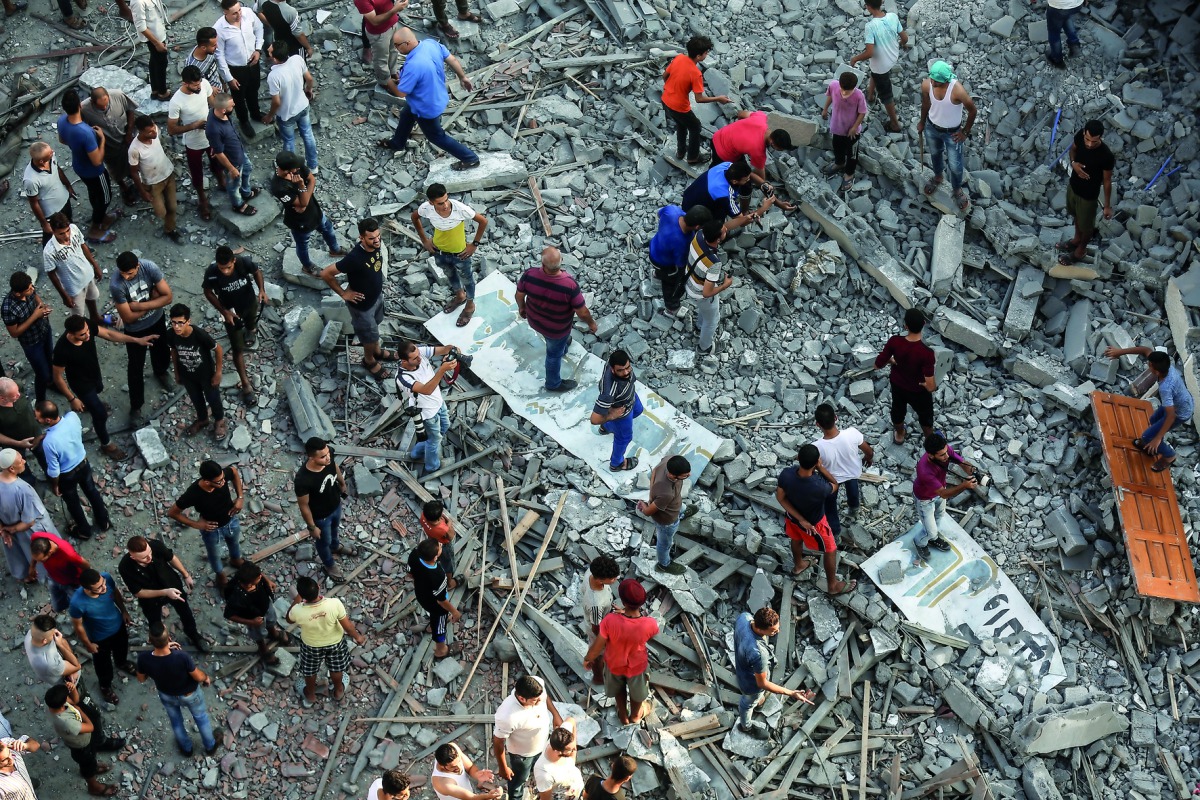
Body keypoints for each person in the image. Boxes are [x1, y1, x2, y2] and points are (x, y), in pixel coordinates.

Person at [377, 28, 479, 170]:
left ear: (407, 43)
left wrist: (387, 80)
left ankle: (470, 159)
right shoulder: (430, 44)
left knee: (436, 137)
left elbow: (401, 93)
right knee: (406, 114)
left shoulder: (414, 65)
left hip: (426, 107)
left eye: (397, 45)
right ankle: (397, 143)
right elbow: (452, 59)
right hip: (436, 96)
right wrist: (463, 77)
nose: (395, 48)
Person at [51, 316, 149, 458]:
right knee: (100, 415)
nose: (88, 335)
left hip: (94, 374)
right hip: (81, 385)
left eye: (87, 331)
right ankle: (106, 444)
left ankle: (89, 405)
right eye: (82, 334)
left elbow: (108, 334)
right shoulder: (62, 350)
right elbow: (57, 377)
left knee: (98, 390)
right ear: (71, 334)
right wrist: (72, 399)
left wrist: (136, 340)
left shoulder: (86, 325)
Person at [320, 218, 395, 381]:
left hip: (376, 298)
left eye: (378, 236)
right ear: (361, 237)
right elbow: (325, 274)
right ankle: (369, 360)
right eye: (371, 238)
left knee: (374, 330)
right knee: (368, 337)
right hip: (362, 307)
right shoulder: (354, 258)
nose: (377, 241)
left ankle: (377, 351)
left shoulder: (375, 245)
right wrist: (343, 293)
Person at [775, 444, 856, 595]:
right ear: (816, 462)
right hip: (815, 524)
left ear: (798, 458)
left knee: (796, 538)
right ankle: (832, 586)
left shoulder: (786, 474)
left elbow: (780, 498)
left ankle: (799, 565)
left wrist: (800, 519)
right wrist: (821, 468)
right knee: (830, 549)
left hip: (793, 518)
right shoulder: (819, 487)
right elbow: (835, 485)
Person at [515, 247, 598, 392]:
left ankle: (562, 346)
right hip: (557, 330)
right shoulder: (569, 285)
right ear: (562, 261)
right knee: (553, 356)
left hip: (535, 321)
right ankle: (553, 383)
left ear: (542, 264)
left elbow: (519, 295)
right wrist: (591, 323)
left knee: (554, 342)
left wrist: (522, 308)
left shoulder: (530, 275)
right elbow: (582, 312)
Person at [36, 400, 120, 537]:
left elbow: (54, 470)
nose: (36, 419)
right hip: (83, 464)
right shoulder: (72, 417)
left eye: (38, 417)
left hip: (67, 475)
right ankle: (103, 521)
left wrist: (55, 485)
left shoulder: (48, 442)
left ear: (47, 420)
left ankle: (84, 531)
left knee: (73, 503)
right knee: (92, 492)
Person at [1103, 346, 1193, 471]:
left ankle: (1169, 456)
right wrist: (1119, 352)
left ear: (1156, 372)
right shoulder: (1165, 366)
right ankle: (1153, 446)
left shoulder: (1166, 388)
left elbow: (1171, 416)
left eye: (1149, 365)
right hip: (1179, 402)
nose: (1147, 364)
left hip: (1180, 413)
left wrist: (1157, 439)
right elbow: (1145, 350)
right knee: (1153, 420)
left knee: (1147, 437)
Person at [110, 251, 174, 425]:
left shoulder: (149, 267)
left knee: (161, 349)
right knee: (135, 367)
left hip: (157, 320)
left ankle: (161, 372)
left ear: (138, 266)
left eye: (130, 273)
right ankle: (136, 406)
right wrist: (152, 302)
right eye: (123, 273)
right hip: (136, 331)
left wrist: (139, 306)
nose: (126, 277)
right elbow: (128, 318)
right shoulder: (116, 285)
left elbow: (168, 296)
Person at [583, 579, 659, 725]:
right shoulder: (649, 624)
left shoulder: (610, 621)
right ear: (642, 603)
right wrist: (627, 616)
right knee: (637, 694)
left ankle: (623, 716)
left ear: (623, 602)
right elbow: (648, 631)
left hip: (614, 664)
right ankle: (635, 716)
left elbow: (598, 645)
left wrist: (588, 658)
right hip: (637, 667)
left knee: (618, 690)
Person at [412, 183, 489, 327]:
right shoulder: (426, 208)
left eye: (446, 199)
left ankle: (470, 305)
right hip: (439, 251)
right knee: (450, 274)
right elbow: (414, 217)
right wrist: (424, 240)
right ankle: (460, 295)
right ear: (431, 203)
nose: (446, 205)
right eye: (440, 203)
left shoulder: (460, 209)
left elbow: (483, 221)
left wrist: (474, 245)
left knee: (467, 280)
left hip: (460, 253)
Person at [732, 607, 815, 739]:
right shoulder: (758, 653)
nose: (778, 632)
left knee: (757, 698)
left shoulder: (744, 617)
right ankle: (745, 726)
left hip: (742, 665)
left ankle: (758, 701)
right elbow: (762, 683)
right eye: (774, 631)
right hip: (750, 684)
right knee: (748, 704)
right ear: (760, 629)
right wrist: (791, 693)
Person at [136, 626, 218, 757]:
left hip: (167, 695)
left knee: (176, 722)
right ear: (169, 638)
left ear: (149, 640)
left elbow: (141, 679)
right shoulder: (181, 657)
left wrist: (152, 666)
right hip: (190, 694)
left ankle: (187, 749)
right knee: (201, 718)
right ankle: (210, 747)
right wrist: (206, 678)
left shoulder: (143, 658)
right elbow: (198, 676)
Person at [118, 536, 208, 651]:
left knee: (185, 611)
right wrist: (165, 592)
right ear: (133, 557)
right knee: (154, 622)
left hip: (172, 585)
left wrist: (186, 575)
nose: (149, 557)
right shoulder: (125, 567)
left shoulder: (156, 545)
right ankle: (163, 645)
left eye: (150, 553)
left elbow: (172, 558)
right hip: (150, 598)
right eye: (144, 557)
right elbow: (138, 592)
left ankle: (193, 634)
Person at [287, 575, 367, 704]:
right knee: (336, 668)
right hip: (335, 643)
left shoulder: (297, 610)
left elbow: (289, 619)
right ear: (318, 587)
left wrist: (297, 600)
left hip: (311, 645)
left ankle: (311, 694)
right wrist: (357, 637)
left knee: (310, 670)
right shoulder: (334, 603)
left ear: (302, 596)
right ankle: (338, 691)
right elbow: (347, 626)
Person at [203, 246, 267, 403]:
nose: (225, 271)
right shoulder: (212, 273)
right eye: (222, 268)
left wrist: (262, 290)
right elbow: (208, 292)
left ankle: (251, 330)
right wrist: (224, 311)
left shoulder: (243, 263)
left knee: (251, 322)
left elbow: (257, 271)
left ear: (234, 261)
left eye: (228, 267)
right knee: (237, 348)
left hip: (250, 303)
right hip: (231, 314)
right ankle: (246, 384)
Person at [167, 460, 245, 587]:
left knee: (234, 542)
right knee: (214, 554)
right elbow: (172, 512)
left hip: (231, 520)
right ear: (207, 482)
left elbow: (234, 472)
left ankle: (235, 560)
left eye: (223, 478)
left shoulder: (221, 476)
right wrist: (196, 525)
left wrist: (240, 497)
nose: (223, 482)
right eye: (219, 482)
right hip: (212, 530)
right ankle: (220, 575)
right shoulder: (193, 493)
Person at [57, 91, 118, 244]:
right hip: (95, 172)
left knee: (94, 192)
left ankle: (101, 217)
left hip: (79, 167)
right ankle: (95, 229)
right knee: (105, 198)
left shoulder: (62, 121)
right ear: (80, 105)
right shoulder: (86, 132)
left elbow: (62, 140)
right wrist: (102, 140)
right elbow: (97, 161)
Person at [271, 150, 345, 273]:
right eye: (295, 168)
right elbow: (303, 201)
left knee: (328, 229)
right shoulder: (279, 187)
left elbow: (312, 180)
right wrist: (301, 186)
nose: (298, 168)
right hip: (299, 221)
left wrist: (304, 199)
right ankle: (307, 266)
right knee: (303, 245)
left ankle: (335, 250)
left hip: (314, 210)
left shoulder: (297, 166)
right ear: (288, 170)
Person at [69, 569, 136, 706]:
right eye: (99, 588)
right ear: (87, 589)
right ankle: (105, 686)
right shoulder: (77, 603)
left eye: (103, 583)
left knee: (122, 648)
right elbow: (78, 626)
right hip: (99, 638)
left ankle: (122, 663)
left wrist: (124, 611)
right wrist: (88, 644)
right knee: (103, 665)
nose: (104, 587)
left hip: (118, 626)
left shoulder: (106, 578)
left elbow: (115, 593)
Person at [660, 36, 730, 164]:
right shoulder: (695, 73)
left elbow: (665, 76)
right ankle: (693, 157)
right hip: (680, 106)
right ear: (698, 56)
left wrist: (673, 89)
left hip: (666, 99)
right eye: (705, 53)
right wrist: (719, 98)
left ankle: (680, 152)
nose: (707, 55)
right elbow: (699, 99)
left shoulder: (679, 58)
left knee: (681, 125)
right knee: (695, 127)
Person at [918, 61, 976, 212]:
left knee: (955, 165)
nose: (932, 83)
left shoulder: (957, 90)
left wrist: (965, 132)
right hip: (932, 127)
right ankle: (938, 176)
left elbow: (973, 110)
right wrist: (922, 122)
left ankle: (956, 189)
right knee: (935, 154)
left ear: (946, 80)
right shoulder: (927, 84)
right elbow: (926, 104)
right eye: (931, 79)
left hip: (952, 133)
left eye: (936, 81)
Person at [294, 436, 355, 580]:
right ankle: (329, 564)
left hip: (335, 505)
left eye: (328, 453)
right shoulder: (303, 480)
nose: (327, 458)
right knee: (323, 542)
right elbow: (303, 506)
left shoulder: (328, 456)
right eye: (322, 457)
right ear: (311, 457)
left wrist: (342, 483)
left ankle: (335, 546)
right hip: (321, 517)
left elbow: (334, 466)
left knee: (335, 529)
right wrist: (312, 527)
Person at [492, 675, 562, 800]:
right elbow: (498, 742)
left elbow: (545, 697)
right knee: (519, 780)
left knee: (540, 765)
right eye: (535, 700)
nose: (540, 701)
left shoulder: (537, 683)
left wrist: (555, 714)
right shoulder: (508, 716)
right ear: (521, 698)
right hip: (523, 756)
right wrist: (503, 768)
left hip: (542, 745)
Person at [873, 307, 936, 445]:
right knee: (925, 415)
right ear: (924, 324)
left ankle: (900, 434)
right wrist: (925, 385)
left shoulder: (895, 341)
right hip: (918, 390)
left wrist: (891, 361)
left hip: (898, 385)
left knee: (898, 410)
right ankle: (930, 440)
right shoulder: (927, 353)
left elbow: (877, 365)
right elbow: (931, 387)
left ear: (905, 326)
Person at [44, 682, 119, 795]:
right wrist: (80, 711)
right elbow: (90, 727)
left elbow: (74, 700)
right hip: (81, 746)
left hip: (81, 742)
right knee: (87, 765)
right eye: (67, 697)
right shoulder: (67, 722)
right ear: (62, 704)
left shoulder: (53, 706)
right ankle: (94, 786)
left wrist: (73, 689)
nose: (68, 698)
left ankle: (93, 767)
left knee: (89, 760)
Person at [164, 304, 227, 438]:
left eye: (180, 323)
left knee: (213, 398)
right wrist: (177, 373)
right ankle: (202, 419)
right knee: (196, 399)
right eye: (173, 323)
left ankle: (219, 420)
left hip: (206, 375)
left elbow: (218, 349)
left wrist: (218, 372)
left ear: (188, 321)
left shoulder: (199, 334)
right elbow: (174, 351)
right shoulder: (171, 335)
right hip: (187, 375)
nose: (177, 327)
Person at [912, 433, 978, 561]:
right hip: (925, 499)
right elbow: (943, 493)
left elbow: (961, 462)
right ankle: (920, 542)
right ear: (931, 455)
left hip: (938, 493)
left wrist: (974, 471)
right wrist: (965, 485)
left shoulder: (944, 450)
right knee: (930, 530)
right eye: (942, 455)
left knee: (939, 515)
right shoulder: (924, 470)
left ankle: (933, 538)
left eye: (946, 452)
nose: (947, 456)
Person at [1059, 120, 1115, 267]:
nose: (1089, 144)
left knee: (1087, 226)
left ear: (1100, 137)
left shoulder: (1106, 156)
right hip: (1073, 187)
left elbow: (1107, 181)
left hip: (1088, 196)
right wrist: (1073, 163)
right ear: (1084, 133)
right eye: (1087, 139)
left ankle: (1081, 250)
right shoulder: (1079, 136)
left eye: (1094, 141)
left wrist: (1107, 206)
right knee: (1076, 215)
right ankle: (1076, 240)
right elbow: (1073, 150)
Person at [812, 404, 873, 538]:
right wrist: (868, 458)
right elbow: (868, 451)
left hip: (831, 479)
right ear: (836, 418)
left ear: (817, 424)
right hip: (852, 473)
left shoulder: (816, 447)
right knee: (853, 490)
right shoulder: (852, 433)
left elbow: (814, 466)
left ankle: (835, 532)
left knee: (830, 504)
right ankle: (854, 508)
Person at [397, 341, 457, 475]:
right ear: (404, 361)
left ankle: (417, 452)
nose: (420, 358)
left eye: (419, 354)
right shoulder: (403, 378)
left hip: (438, 403)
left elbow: (443, 349)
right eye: (415, 358)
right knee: (434, 441)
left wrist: (452, 350)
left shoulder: (419, 353)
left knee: (445, 426)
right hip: (428, 413)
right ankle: (432, 466)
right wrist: (442, 370)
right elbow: (426, 390)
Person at [846, 0, 907, 132]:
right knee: (874, 71)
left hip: (882, 65)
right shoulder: (893, 16)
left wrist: (855, 59)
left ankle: (895, 124)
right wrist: (901, 44)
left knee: (886, 95)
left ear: (868, 7)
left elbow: (870, 53)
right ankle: (870, 95)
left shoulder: (871, 26)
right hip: (893, 56)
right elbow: (905, 38)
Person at [167, 66, 217, 221]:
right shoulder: (176, 102)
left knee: (217, 162)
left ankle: (222, 183)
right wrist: (194, 125)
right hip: (193, 143)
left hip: (210, 136)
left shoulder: (204, 84)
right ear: (185, 83)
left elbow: (213, 104)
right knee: (197, 173)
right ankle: (202, 200)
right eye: (195, 85)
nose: (199, 87)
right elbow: (171, 129)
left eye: (199, 82)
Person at [264, 41, 319, 171]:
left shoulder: (273, 76)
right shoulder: (297, 59)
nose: (268, 51)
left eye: (270, 52)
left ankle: (289, 169)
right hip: (303, 106)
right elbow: (310, 79)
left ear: (275, 58)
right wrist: (308, 90)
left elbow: (276, 102)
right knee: (308, 135)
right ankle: (313, 165)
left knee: (289, 141)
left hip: (286, 114)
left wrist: (269, 116)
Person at [0, 450, 52, 584]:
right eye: (20, 461)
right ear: (11, 469)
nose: (24, 461)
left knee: (16, 551)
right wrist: (10, 529)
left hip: (6, 525)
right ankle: (42, 575)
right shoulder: (22, 489)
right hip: (28, 530)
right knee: (36, 551)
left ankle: (22, 574)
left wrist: (3, 530)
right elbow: (29, 522)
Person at [215, 0, 265, 138]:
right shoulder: (219, 29)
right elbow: (219, 56)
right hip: (236, 69)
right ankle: (244, 121)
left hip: (253, 63)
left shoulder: (248, 13)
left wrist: (258, 49)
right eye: (234, 13)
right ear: (225, 13)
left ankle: (255, 114)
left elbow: (259, 28)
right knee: (239, 97)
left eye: (239, 10)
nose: (239, 15)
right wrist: (229, 78)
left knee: (254, 89)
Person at [42, 211, 104, 324]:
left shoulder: (74, 229)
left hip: (88, 275)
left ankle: (95, 316)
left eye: (67, 231)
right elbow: (51, 274)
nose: (66, 236)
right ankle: (82, 329)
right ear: (53, 231)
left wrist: (95, 266)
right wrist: (64, 296)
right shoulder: (49, 251)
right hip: (74, 286)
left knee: (91, 297)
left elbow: (83, 246)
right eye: (61, 233)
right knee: (78, 315)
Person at [648, 205, 711, 315]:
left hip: (654, 248)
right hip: (663, 264)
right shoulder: (683, 242)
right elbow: (681, 265)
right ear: (697, 227)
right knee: (671, 283)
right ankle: (671, 306)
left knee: (662, 271)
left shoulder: (672, 211)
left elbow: (659, 213)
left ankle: (657, 275)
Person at [127, 115, 181, 243]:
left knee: (172, 207)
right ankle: (167, 221)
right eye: (149, 132)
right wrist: (143, 192)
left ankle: (169, 229)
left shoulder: (155, 130)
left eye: (153, 128)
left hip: (168, 175)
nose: (154, 132)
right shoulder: (134, 149)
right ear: (140, 131)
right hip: (153, 183)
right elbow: (134, 172)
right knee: (161, 212)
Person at [680, 159, 777, 230]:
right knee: (718, 224)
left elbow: (748, 174)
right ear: (734, 181)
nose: (748, 180)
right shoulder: (725, 195)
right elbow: (742, 221)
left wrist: (763, 183)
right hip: (695, 214)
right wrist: (764, 207)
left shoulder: (727, 165)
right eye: (746, 179)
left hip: (690, 196)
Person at [81, 87, 138, 205]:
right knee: (114, 169)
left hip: (125, 139)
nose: (104, 108)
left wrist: (129, 132)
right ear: (92, 102)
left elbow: (131, 110)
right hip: (108, 146)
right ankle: (124, 188)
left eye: (106, 104)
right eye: (100, 107)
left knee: (132, 160)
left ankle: (133, 176)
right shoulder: (84, 109)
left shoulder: (118, 96)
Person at [2, 274, 55, 401]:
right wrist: (35, 315)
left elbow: (36, 297)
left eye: (32, 286)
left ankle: (51, 383)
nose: (32, 289)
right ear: (18, 293)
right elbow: (14, 333)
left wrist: (42, 308)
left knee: (50, 360)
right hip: (31, 342)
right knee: (41, 373)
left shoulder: (29, 289)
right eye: (29, 289)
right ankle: (40, 402)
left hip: (44, 330)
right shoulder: (8, 308)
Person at [223, 561, 288, 665]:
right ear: (250, 584)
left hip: (266, 605)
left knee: (271, 620)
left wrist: (268, 581)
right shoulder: (236, 596)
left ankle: (274, 634)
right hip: (253, 618)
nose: (261, 577)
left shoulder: (249, 573)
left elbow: (260, 574)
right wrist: (251, 622)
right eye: (259, 578)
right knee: (258, 634)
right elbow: (229, 615)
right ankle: (263, 649)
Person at [637, 455, 693, 574]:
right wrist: (644, 505)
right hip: (667, 520)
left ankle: (682, 512)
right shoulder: (666, 493)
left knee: (680, 506)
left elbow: (654, 471)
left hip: (674, 504)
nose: (689, 475)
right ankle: (664, 564)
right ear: (672, 475)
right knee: (664, 544)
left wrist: (652, 495)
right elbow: (647, 512)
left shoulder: (668, 460)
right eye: (685, 475)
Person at [590, 350, 643, 473]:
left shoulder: (613, 361)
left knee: (638, 410)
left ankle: (606, 427)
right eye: (620, 370)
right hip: (622, 413)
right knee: (624, 438)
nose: (626, 372)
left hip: (629, 398)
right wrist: (612, 415)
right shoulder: (609, 392)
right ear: (612, 369)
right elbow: (594, 419)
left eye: (628, 367)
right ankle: (617, 464)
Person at [408, 538, 462, 658]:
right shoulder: (438, 575)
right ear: (435, 558)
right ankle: (441, 650)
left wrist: (423, 581)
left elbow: (410, 573)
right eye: (440, 547)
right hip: (436, 605)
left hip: (421, 593)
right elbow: (441, 601)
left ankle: (433, 626)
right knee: (439, 625)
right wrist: (455, 612)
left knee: (436, 617)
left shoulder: (414, 554)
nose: (441, 545)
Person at [207, 94, 259, 216]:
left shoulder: (220, 113)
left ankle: (246, 192)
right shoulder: (214, 129)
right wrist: (231, 169)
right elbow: (219, 153)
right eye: (231, 105)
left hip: (239, 152)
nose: (234, 105)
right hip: (232, 161)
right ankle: (238, 205)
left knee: (247, 169)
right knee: (234, 184)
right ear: (223, 110)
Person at [685, 220, 733, 354]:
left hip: (689, 281)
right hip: (699, 293)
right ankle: (704, 347)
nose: (726, 230)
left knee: (705, 312)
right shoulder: (714, 263)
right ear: (718, 240)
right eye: (724, 231)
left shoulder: (699, 235)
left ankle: (700, 327)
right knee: (712, 320)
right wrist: (724, 285)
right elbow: (706, 293)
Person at [710, 110, 794, 181]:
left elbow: (741, 113)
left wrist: (741, 127)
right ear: (772, 143)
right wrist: (763, 183)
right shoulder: (758, 151)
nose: (780, 151)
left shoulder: (761, 117)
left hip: (718, 135)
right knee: (740, 175)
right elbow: (759, 172)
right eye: (779, 149)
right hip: (724, 152)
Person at [821, 72, 867, 194]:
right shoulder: (834, 85)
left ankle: (849, 173)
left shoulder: (858, 95)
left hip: (852, 132)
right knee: (837, 147)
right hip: (837, 127)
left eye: (848, 91)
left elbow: (862, 112)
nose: (845, 93)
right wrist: (825, 109)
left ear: (854, 87)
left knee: (852, 154)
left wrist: (854, 127)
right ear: (839, 83)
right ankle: (839, 163)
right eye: (843, 89)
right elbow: (830, 96)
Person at [22, 141, 76, 245]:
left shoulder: (51, 158)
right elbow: (33, 202)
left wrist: (68, 186)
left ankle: (72, 245)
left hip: (65, 202)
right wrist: (44, 224)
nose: (53, 152)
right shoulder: (30, 180)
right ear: (41, 161)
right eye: (50, 152)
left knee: (68, 225)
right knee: (52, 236)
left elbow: (58, 170)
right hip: (52, 213)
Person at [579, 555, 619, 686]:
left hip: (603, 617)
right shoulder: (596, 604)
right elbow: (596, 628)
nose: (616, 579)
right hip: (598, 628)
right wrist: (604, 641)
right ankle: (598, 677)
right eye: (612, 578)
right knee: (598, 654)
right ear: (600, 580)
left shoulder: (591, 572)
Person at [30, 530, 88, 610]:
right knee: (58, 607)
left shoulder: (68, 554)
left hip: (72, 583)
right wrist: (32, 567)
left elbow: (86, 565)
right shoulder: (36, 537)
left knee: (79, 607)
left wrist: (87, 583)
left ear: (50, 553)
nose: (39, 563)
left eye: (42, 560)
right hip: (53, 577)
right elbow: (35, 555)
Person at [355, 0, 408, 87]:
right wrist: (395, 9)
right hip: (379, 33)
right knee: (381, 59)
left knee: (393, 50)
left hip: (393, 24)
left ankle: (393, 72)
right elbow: (374, 21)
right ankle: (385, 81)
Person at [0, 381, 47, 478]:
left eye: (18, 391)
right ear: (2, 398)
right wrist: (18, 443)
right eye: (14, 395)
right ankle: (29, 483)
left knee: (45, 457)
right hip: (14, 444)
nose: (19, 395)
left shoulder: (17, 386)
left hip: (35, 434)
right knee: (20, 468)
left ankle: (51, 476)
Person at [533, 719, 583, 800]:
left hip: (574, 786)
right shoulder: (544, 774)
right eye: (570, 749)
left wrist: (572, 757)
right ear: (557, 751)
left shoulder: (562, 736)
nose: (574, 749)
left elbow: (571, 720)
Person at [132, 0, 171, 101]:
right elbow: (141, 27)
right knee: (161, 63)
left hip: (158, 34)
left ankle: (155, 90)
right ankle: (162, 93)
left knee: (154, 61)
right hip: (154, 38)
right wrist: (157, 43)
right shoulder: (138, 2)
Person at [431, 744, 500, 800]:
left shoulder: (453, 749)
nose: (459, 767)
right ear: (442, 766)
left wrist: (477, 775)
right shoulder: (443, 783)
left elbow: (470, 768)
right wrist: (488, 796)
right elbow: (472, 798)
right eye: (453, 767)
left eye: (459, 761)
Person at [420, 499, 458, 585]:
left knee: (438, 557)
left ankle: (436, 560)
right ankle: (449, 582)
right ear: (439, 517)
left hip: (432, 539)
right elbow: (451, 537)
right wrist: (449, 523)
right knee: (448, 563)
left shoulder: (423, 516)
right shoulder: (443, 529)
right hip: (443, 545)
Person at [184, 27, 227, 93]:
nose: (217, 47)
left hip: (219, 88)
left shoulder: (210, 52)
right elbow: (192, 86)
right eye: (214, 45)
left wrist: (223, 84)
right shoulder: (192, 66)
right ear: (203, 48)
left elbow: (216, 69)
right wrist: (210, 89)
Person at [1043, 0, 1083, 68]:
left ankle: (1057, 59)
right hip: (1077, 4)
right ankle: (1075, 45)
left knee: (1054, 32)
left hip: (1059, 6)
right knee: (1066, 15)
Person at [0, 734, 42, 798]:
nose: (11, 759)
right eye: (4, 760)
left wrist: (26, 745)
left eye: (9, 753)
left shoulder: (7, 742)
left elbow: (36, 745)